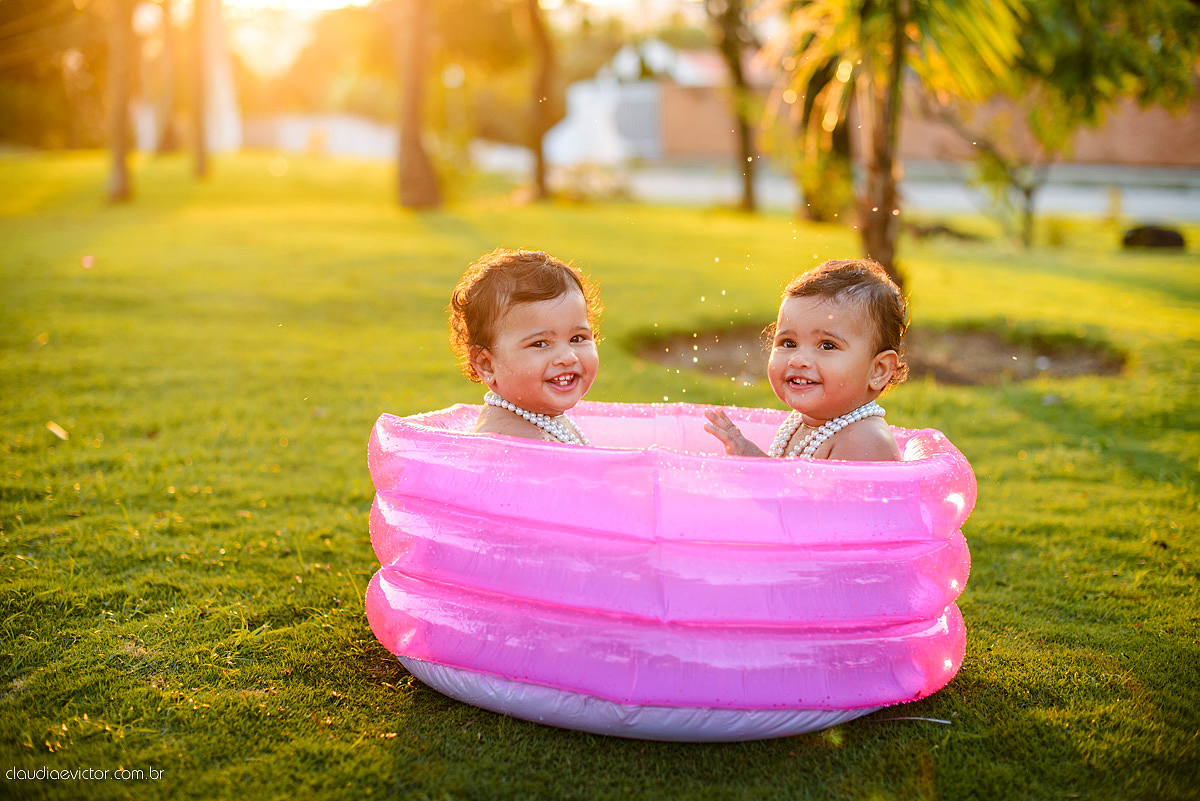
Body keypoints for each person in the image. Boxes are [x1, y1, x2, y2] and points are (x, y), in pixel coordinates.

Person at [705, 258, 908, 461]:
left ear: (878, 370)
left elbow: (809, 494)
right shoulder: (805, 423)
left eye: (827, 345)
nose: (798, 360)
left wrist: (753, 459)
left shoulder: (863, 439)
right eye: (789, 343)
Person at [448, 248, 601, 444]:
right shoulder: (509, 440)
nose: (568, 357)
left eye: (577, 338)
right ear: (487, 364)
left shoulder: (541, 420)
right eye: (540, 343)